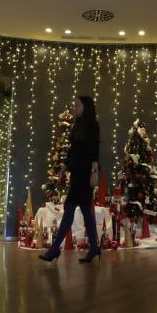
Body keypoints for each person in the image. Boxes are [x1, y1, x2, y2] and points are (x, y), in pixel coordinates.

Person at [40, 96, 102, 264]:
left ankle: (54, 250)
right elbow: (72, 151)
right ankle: (94, 248)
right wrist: (62, 170)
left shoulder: (92, 124)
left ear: (85, 107)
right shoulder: (78, 124)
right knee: (85, 212)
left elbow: (95, 149)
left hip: (86, 173)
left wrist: (94, 172)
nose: (74, 107)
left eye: (77, 105)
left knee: (70, 209)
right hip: (76, 173)